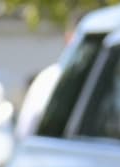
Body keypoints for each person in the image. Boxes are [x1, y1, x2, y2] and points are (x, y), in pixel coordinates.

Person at [16, 8, 87, 139]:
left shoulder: (48, 79)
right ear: (69, 38)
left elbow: (24, 133)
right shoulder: (49, 80)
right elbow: (26, 135)